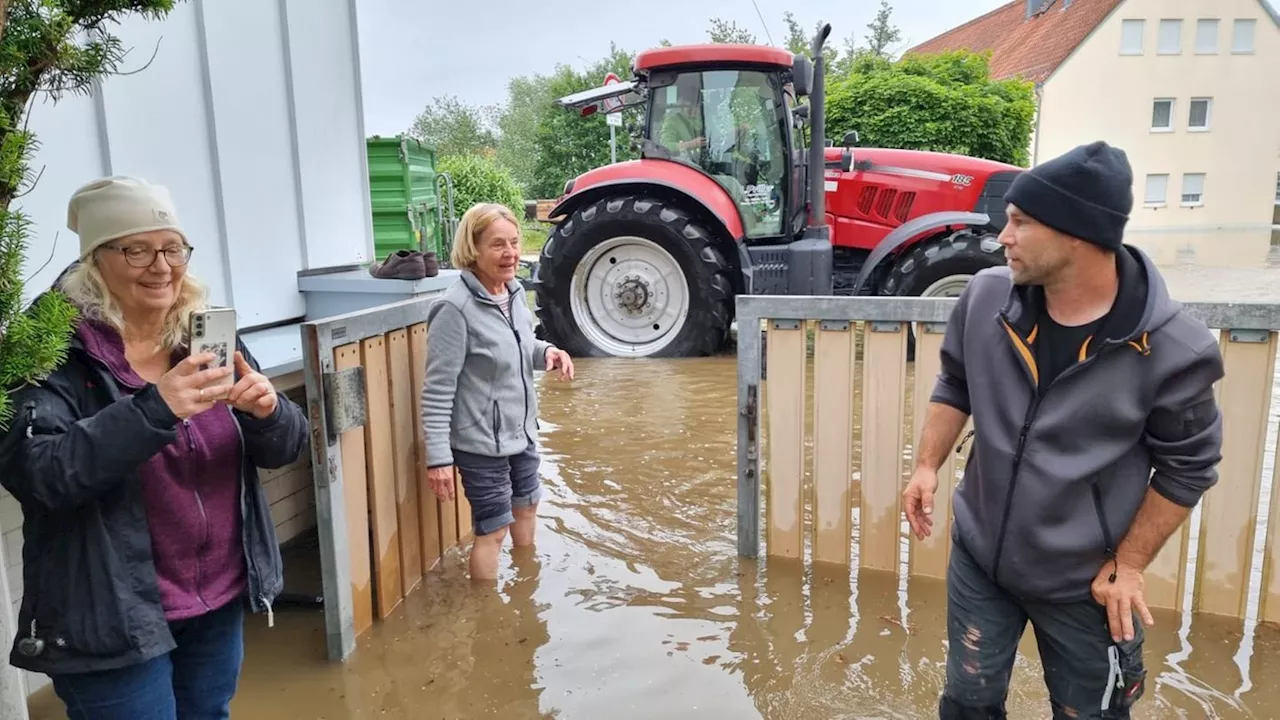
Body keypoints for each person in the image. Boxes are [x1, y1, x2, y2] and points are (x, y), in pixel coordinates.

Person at [902, 142, 1224, 719]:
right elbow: (956, 382)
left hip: (1087, 583)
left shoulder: (1174, 349)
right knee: (967, 702)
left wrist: (1129, 566)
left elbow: (1190, 466)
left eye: (1021, 222)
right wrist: (927, 464)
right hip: (981, 558)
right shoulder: (983, 299)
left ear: (1077, 233)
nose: (1003, 237)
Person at [0, 176, 309, 719]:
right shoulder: (50, 350)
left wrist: (270, 413)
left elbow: (286, 447)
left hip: (215, 599)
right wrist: (155, 409)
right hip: (109, 614)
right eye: (136, 249)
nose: (162, 266)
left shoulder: (203, 335)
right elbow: (40, 473)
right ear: (96, 259)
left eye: (172, 248)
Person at [421, 203, 574, 581]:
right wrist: (438, 459)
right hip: (479, 443)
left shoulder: (514, 292)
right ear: (473, 250)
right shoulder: (453, 309)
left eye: (515, 243)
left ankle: (526, 589)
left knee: (527, 508)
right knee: (492, 530)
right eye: (497, 245)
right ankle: (489, 617)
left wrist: (549, 353)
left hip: (520, 432)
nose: (510, 254)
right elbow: (437, 391)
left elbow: (523, 346)